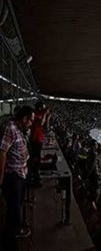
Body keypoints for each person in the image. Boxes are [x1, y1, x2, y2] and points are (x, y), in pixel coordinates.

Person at [0, 106, 34, 251]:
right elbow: (2, 152)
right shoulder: (10, 127)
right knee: (13, 208)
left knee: (16, 206)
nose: (31, 123)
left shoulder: (19, 128)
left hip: (20, 174)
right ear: (24, 118)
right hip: (12, 176)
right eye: (31, 120)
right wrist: (0, 178)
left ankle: (15, 229)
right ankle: (9, 241)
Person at [28, 101, 50, 187]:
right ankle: (35, 179)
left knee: (37, 160)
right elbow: (41, 123)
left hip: (38, 140)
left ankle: (35, 177)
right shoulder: (36, 114)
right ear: (40, 108)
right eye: (43, 107)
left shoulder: (39, 114)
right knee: (35, 160)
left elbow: (45, 126)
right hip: (35, 140)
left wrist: (47, 117)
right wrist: (45, 114)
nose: (44, 109)